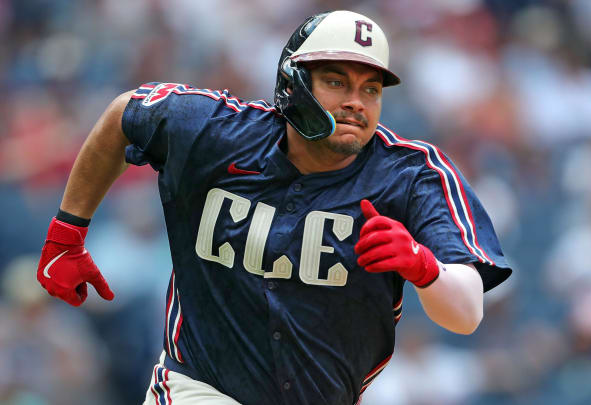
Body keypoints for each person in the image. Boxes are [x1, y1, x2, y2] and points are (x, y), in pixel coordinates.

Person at [35, 10, 512, 405]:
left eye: (371, 89)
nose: (356, 102)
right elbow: (126, 114)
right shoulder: (217, 134)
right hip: (197, 387)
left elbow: (467, 313)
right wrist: (67, 232)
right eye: (335, 81)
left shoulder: (413, 176)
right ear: (292, 83)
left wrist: (425, 268)